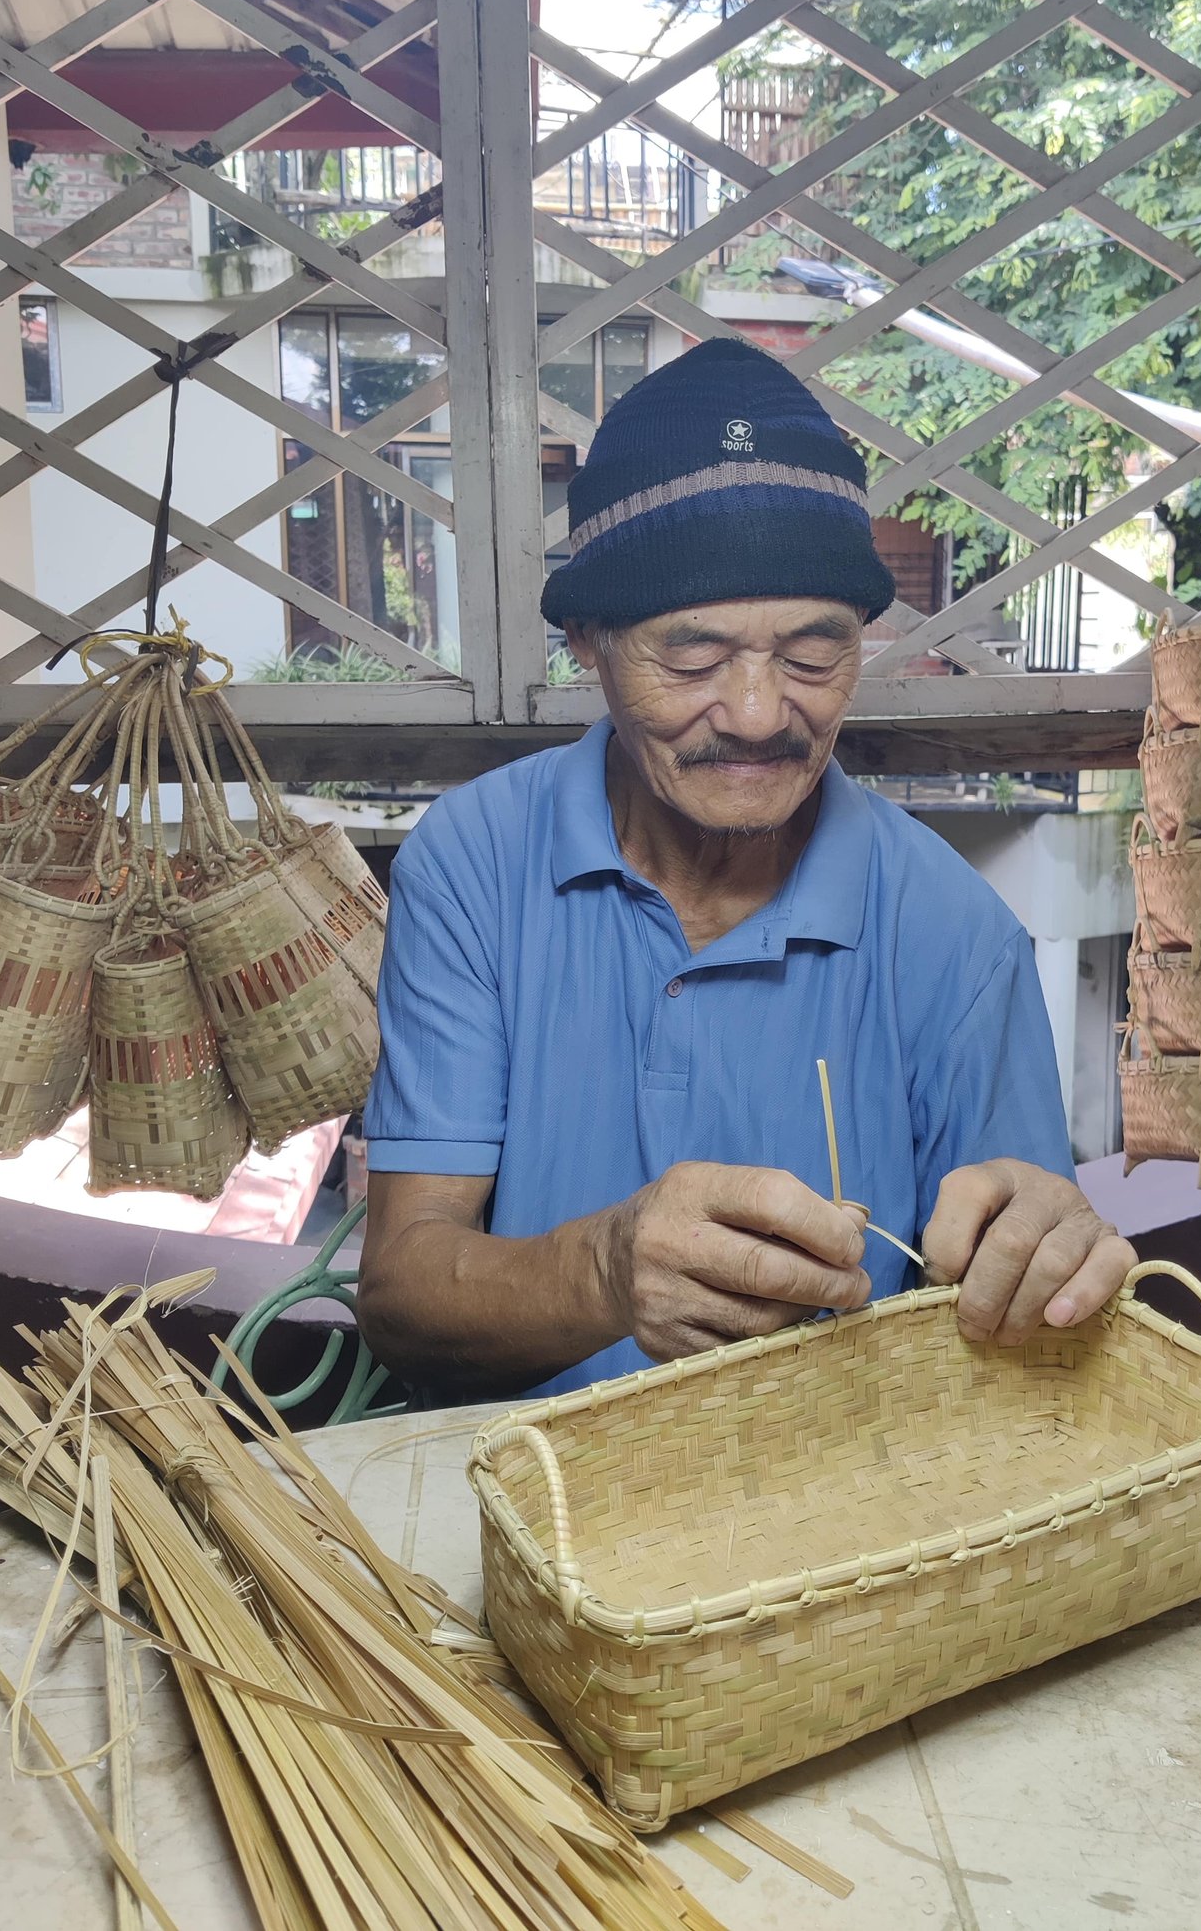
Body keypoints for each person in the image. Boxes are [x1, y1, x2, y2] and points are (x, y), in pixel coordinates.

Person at [357, 339, 1134, 1399]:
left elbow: (1015, 1311)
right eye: (693, 655)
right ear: (587, 642)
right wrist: (602, 1271)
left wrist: (1046, 1260)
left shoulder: (951, 931)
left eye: (813, 655)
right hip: (526, 1497)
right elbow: (402, 1294)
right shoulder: (478, 861)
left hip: (830, 1521)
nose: (761, 715)